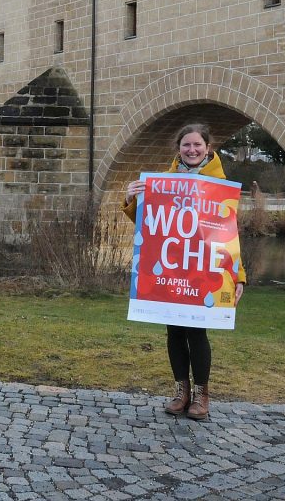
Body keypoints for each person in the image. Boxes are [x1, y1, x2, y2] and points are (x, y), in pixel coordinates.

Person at [122, 123, 246, 420]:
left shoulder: (220, 184)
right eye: (186, 145)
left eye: (197, 145)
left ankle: (202, 395)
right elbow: (150, 224)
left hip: (201, 269)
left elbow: (228, 235)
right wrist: (130, 198)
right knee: (174, 331)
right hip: (171, 267)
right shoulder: (163, 181)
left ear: (207, 148)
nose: (191, 150)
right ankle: (181, 391)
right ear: (179, 148)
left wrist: (239, 276)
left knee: (196, 331)